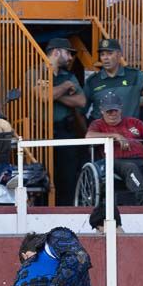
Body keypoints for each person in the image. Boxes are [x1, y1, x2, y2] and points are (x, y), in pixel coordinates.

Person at [86, 90, 143, 205]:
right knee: (130, 167)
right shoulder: (98, 124)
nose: (113, 114)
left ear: (121, 109)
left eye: (115, 110)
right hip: (116, 161)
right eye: (109, 111)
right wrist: (115, 136)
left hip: (142, 160)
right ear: (102, 111)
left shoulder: (133, 122)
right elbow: (88, 136)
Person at [43, 38, 85, 202]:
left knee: (68, 176)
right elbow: (45, 96)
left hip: (65, 131)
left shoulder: (68, 76)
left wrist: (56, 93)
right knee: (45, 175)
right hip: (42, 132)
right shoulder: (35, 72)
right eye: (68, 53)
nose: (69, 58)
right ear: (56, 52)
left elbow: (81, 101)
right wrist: (65, 88)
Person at [83, 38, 143, 122]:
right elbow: (80, 111)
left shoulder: (134, 75)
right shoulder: (92, 81)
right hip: (101, 133)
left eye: (110, 54)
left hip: (129, 132)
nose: (105, 58)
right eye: (102, 54)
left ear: (119, 55)